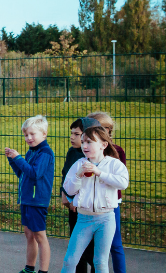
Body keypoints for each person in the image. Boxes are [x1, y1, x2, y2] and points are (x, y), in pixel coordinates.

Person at [61, 127, 129, 273]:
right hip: (83, 219)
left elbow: (123, 183)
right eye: (83, 141)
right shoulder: (79, 164)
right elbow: (69, 189)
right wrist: (79, 175)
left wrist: (99, 173)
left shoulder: (114, 164)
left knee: (100, 261)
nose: (84, 146)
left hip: (106, 219)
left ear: (103, 145)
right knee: (70, 260)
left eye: (89, 142)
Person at [5, 115, 55, 273]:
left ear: (44, 134)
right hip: (27, 199)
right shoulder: (31, 152)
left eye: (33, 134)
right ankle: (29, 267)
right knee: (29, 233)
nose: (29, 138)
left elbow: (35, 173)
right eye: (26, 135)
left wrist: (18, 158)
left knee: (39, 235)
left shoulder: (45, 152)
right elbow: (23, 174)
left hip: (37, 201)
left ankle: (43, 271)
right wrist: (13, 160)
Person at [86, 111, 128, 273]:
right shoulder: (87, 148)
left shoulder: (117, 151)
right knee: (94, 245)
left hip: (110, 203)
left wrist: (99, 173)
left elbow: (119, 179)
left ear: (105, 130)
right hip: (91, 202)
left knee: (115, 244)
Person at [62, 117, 102, 273]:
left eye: (77, 134)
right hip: (73, 209)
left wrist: (75, 199)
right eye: (71, 133)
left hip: (89, 211)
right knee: (76, 250)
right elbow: (66, 175)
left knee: (92, 251)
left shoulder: (94, 158)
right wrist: (65, 195)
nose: (72, 137)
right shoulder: (72, 153)